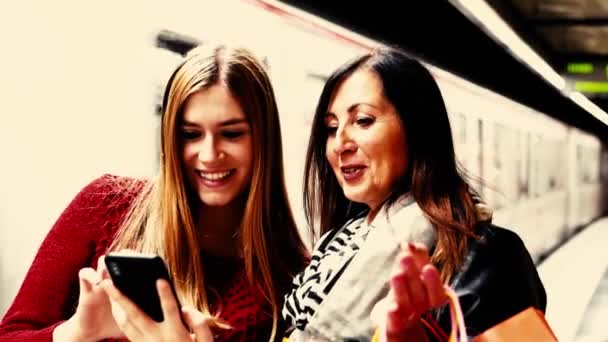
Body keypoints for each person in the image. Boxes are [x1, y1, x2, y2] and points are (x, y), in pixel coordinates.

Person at [0, 44, 309, 342]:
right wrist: (78, 333)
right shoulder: (105, 203)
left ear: (264, 141)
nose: (209, 153)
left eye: (231, 134)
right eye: (190, 135)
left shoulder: (291, 275)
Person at [282, 46, 546, 341]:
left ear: (417, 129)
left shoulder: (492, 259)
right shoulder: (333, 247)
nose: (339, 143)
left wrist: (409, 335)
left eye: (363, 121)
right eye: (331, 128)